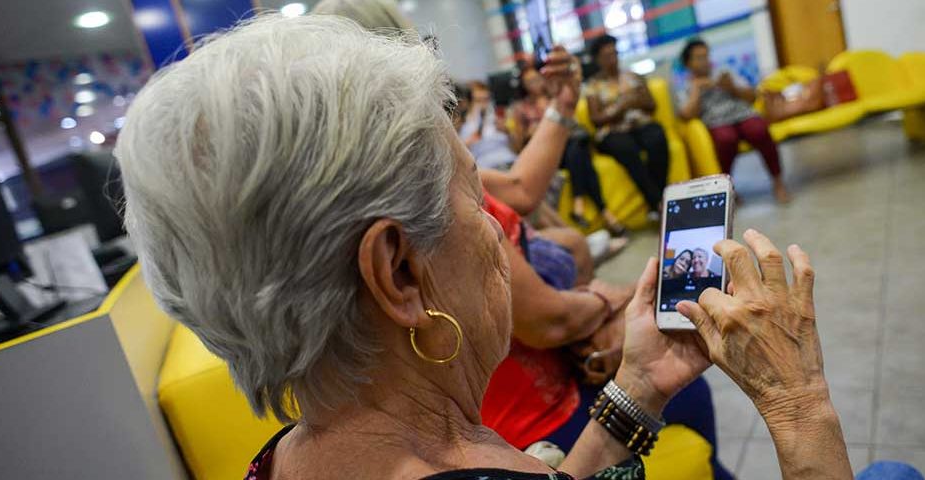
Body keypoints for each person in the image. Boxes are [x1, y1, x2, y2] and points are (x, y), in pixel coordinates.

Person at [116, 15, 864, 480]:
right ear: (400, 273)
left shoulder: (291, 453)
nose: (497, 220)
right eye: (476, 194)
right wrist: (800, 410)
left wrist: (637, 386)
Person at [512, 65, 628, 237]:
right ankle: (605, 214)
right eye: (530, 81)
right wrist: (532, 133)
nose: (535, 84)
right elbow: (518, 145)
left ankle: (582, 205)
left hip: (567, 146)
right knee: (579, 152)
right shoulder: (521, 109)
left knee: (577, 151)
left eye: (537, 79)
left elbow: (570, 122)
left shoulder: (554, 98)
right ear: (523, 86)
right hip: (545, 154)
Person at [676, 38, 791, 203]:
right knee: (725, 140)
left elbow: (752, 97)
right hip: (716, 122)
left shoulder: (724, 73)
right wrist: (696, 89)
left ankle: (778, 182)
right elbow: (686, 115)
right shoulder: (684, 86)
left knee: (759, 130)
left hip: (742, 114)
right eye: (699, 58)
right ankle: (728, 189)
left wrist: (731, 87)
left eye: (706, 56)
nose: (705, 61)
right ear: (688, 63)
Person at [584, 34, 670, 221]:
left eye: (614, 53)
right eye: (607, 55)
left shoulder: (633, 76)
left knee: (657, 138)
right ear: (598, 59)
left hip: (639, 124)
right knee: (626, 149)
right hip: (612, 131)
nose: (613, 59)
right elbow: (595, 119)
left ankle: (657, 204)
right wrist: (620, 108)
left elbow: (651, 105)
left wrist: (636, 102)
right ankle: (658, 203)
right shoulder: (593, 86)